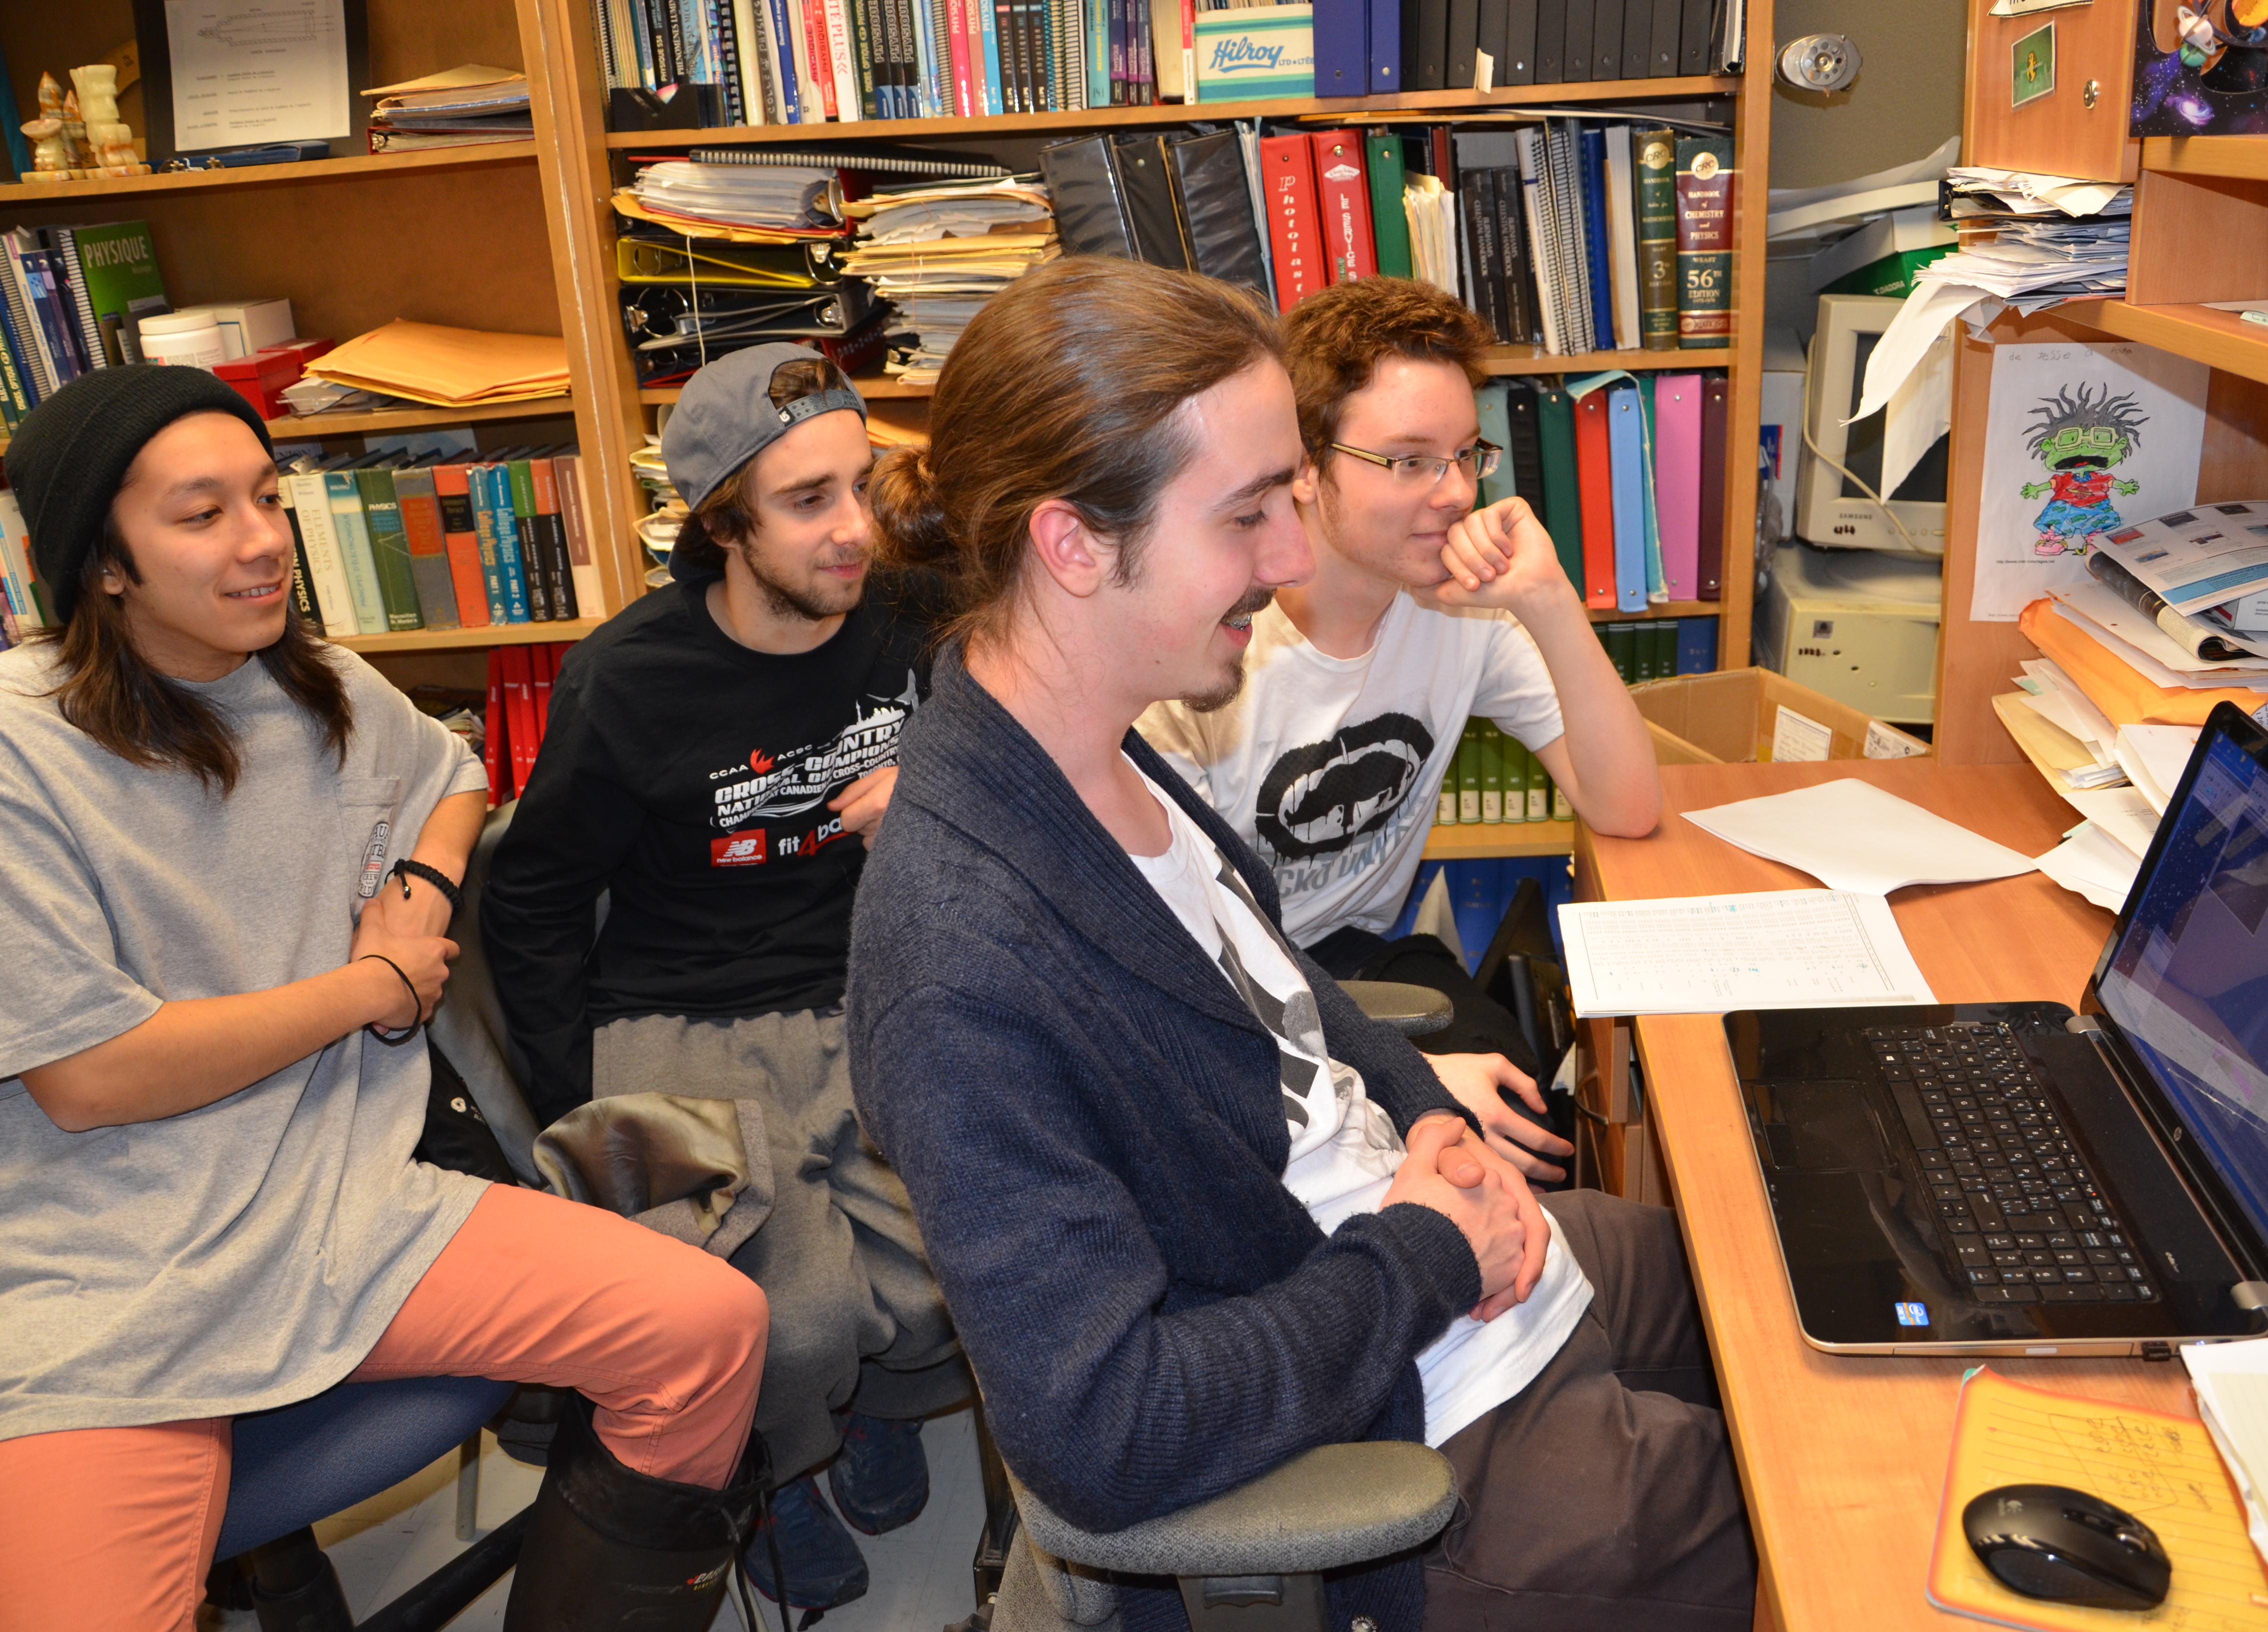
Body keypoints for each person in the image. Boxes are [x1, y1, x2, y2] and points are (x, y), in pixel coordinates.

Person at [846, 258, 1753, 1632]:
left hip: (1419, 1246)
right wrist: (1428, 1256)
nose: (1285, 560)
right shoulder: (959, 969)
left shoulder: (1102, 752)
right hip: (1406, 1404)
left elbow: (1281, 989)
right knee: (1812, 1504)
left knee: (1750, 1280)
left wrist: (1415, 1100)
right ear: (1075, 544)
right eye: (1248, 515)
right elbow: (1101, 1432)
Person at [0, 367, 771, 1632]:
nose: (261, 544)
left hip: (343, 1207)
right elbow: (90, 1080)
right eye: (202, 516)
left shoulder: (322, 686)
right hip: (104, 1272)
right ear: (103, 563)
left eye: (266, 497)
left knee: (706, 1328)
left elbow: (453, 767)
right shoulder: (22, 753)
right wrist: (368, 986)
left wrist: (420, 877)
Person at [482, 344, 959, 1619]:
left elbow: (1053, 739)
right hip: (666, 1020)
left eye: (864, 484)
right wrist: (573, 1105)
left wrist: (938, 794)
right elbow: (526, 898)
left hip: (873, 986)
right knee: (780, 1327)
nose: (856, 530)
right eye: (810, 501)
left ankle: (875, 1408)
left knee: (967, 1261)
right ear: (722, 523)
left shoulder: (915, 616)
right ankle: (771, 1471)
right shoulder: (626, 678)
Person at [1136, 278, 1660, 1176]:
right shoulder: (1209, 644)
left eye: (1465, 454)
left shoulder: (1463, 613)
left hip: (1360, 959)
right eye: (1409, 460)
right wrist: (1399, 1076)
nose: (1454, 494)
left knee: (1539, 1122)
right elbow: (1177, 957)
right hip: (1216, 993)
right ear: (1304, 463)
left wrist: (1549, 600)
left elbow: (1627, 806)